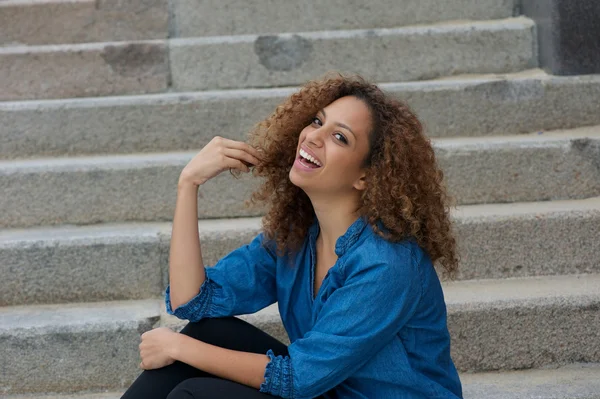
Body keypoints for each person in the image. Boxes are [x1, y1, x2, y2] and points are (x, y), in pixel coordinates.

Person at [120, 74, 463, 399]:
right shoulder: (297, 238)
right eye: (317, 121)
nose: (313, 136)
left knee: (194, 391)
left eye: (340, 137)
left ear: (366, 176)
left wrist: (179, 347)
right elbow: (190, 301)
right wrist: (188, 184)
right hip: (331, 390)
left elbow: (300, 377)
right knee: (209, 331)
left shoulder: (387, 264)